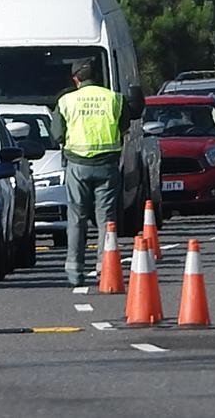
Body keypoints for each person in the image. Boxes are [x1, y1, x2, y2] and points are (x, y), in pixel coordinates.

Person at [56, 60, 129, 287]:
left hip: (77, 166)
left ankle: (74, 271)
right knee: (106, 220)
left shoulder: (66, 101)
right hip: (107, 165)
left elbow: (58, 134)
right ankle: (104, 269)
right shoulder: (114, 98)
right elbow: (124, 126)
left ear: (76, 79)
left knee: (76, 219)